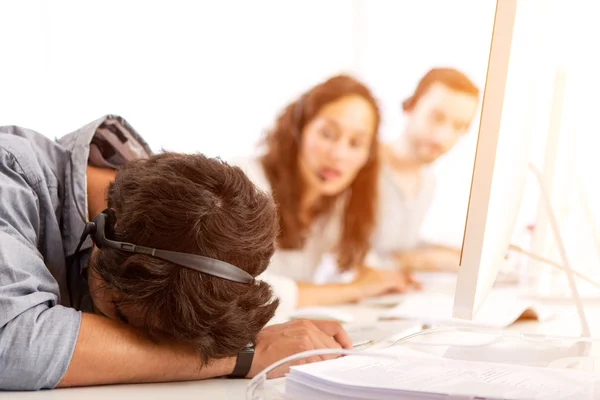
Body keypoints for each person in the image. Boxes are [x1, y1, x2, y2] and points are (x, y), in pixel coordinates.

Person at [0, 115, 351, 391]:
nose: (119, 335)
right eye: (122, 318)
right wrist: (241, 355)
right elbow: (13, 342)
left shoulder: (190, 221)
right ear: (101, 233)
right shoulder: (8, 175)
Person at [233, 75, 412, 312]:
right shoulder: (246, 183)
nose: (338, 154)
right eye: (327, 134)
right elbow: (240, 291)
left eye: (356, 143)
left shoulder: (338, 202)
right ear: (299, 129)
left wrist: (384, 278)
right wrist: (355, 289)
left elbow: (365, 263)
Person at [371, 67, 480, 272]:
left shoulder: (427, 180)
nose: (443, 137)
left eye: (458, 126)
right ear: (410, 106)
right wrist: (421, 261)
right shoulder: (360, 167)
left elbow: (400, 246)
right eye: (436, 118)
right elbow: (338, 260)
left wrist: (459, 254)